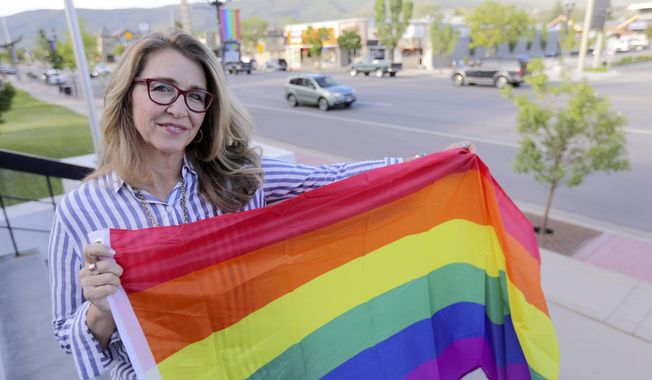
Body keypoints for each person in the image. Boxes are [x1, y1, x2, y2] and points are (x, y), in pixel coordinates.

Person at [48, 28, 473, 379]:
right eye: (162, 88)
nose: (180, 108)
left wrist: (428, 166)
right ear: (128, 93)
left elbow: (330, 180)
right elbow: (68, 335)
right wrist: (99, 309)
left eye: (197, 96)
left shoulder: (237, 180)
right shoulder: (81, 212)